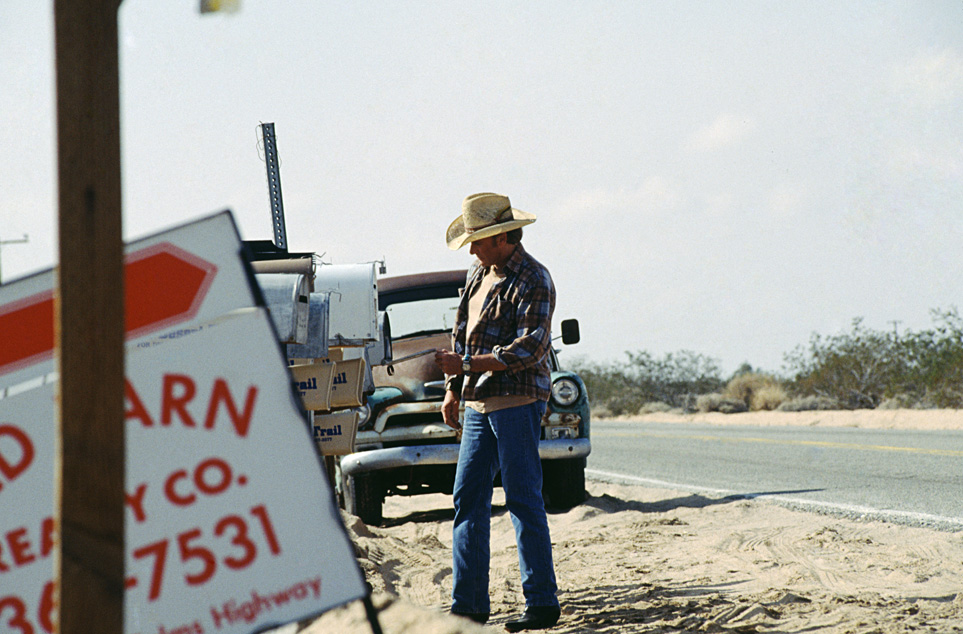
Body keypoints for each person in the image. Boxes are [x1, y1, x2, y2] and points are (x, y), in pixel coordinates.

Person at [434, 192, 561, 632]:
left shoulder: (534, 278)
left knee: (523, 498)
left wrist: (466, 368)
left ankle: (542, 602)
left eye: (479, 240)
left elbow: (530, 347)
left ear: (503, 237)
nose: (473, 249)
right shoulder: (478, 274)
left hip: (517, 400)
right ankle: (468, 605)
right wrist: (455, 388)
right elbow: (461, 336)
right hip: (476, 402)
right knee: (467, 498)